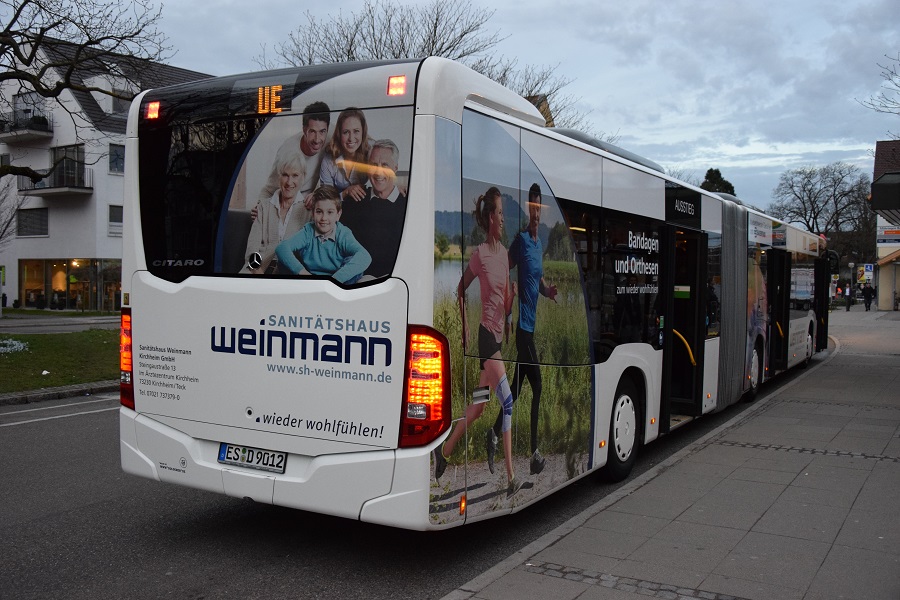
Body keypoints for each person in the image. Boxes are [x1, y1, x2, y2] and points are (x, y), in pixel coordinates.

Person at [434, 186, 522, 497]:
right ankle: (511, 479)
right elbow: (460, 289)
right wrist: (466, 327)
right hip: (486, 340)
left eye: (503, 213)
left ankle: (444, 451)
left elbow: (505, 302)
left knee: (478, 407)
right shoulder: (480, 255)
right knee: (507, 402)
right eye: (499, 212)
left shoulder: (505, 256)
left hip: (497, 336)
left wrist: (511, 303)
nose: (503, 218)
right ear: (490, 218)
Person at [485, 184, 557, 477]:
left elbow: (535, 280)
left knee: (514, 391)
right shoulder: (521, 241)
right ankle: (535, 454)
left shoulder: (539, 245)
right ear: (529, 209)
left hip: (531, 327)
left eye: (539, 207)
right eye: (532, 207)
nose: (536, 212)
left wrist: (547, 291)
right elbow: (504, 270)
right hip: (523, 331)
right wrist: (508, 309)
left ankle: (492, 434)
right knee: (537, 385)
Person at [339, 139, 408, 278]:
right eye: (374, 165)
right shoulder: (354, 199)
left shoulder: (408, 205)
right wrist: (344, 193)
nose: (378, 172)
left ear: (395, 168)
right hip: (356, 282)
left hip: (394, 282)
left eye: (385, 165)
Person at [275, 186, 371, 284]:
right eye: (319, 212)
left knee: (355, 264)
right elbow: (281, 248)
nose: (324, 218)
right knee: (283, 261)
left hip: (337, 280)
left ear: (338, 215)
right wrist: (304, 273)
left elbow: (365, 257)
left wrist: (333, 281)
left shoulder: (343, 233)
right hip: (310, 279)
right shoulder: (308, 231)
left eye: (330, 212)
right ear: (313, 214)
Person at [241, 148, 310, 273]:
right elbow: (252, 249)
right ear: (279, 176)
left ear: (303, 177)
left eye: (295, 175)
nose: (289, 182)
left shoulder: (308, 210)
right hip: (258, 268)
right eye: (285, 175)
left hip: (290, 272)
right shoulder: (263, 207)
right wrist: (257, 270)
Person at [258, 102, 331, 210]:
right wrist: (260, 208)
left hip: (312, 205)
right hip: (289, 207)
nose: (317, 139)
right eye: (312, 132)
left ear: (327, 129)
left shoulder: (332, 135)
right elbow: (269, 190)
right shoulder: (287, 151)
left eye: (322, 132)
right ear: (304, 130)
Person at [318, 107, 369, 202]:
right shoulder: (328, 160)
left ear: (363, 132)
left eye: (356, 131)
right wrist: (346, 192)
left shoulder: (372, 152)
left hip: (367, 204)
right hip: (338, 207)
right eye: (346, 132)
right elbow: (326, 199)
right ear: (339, 134)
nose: (351, 138)